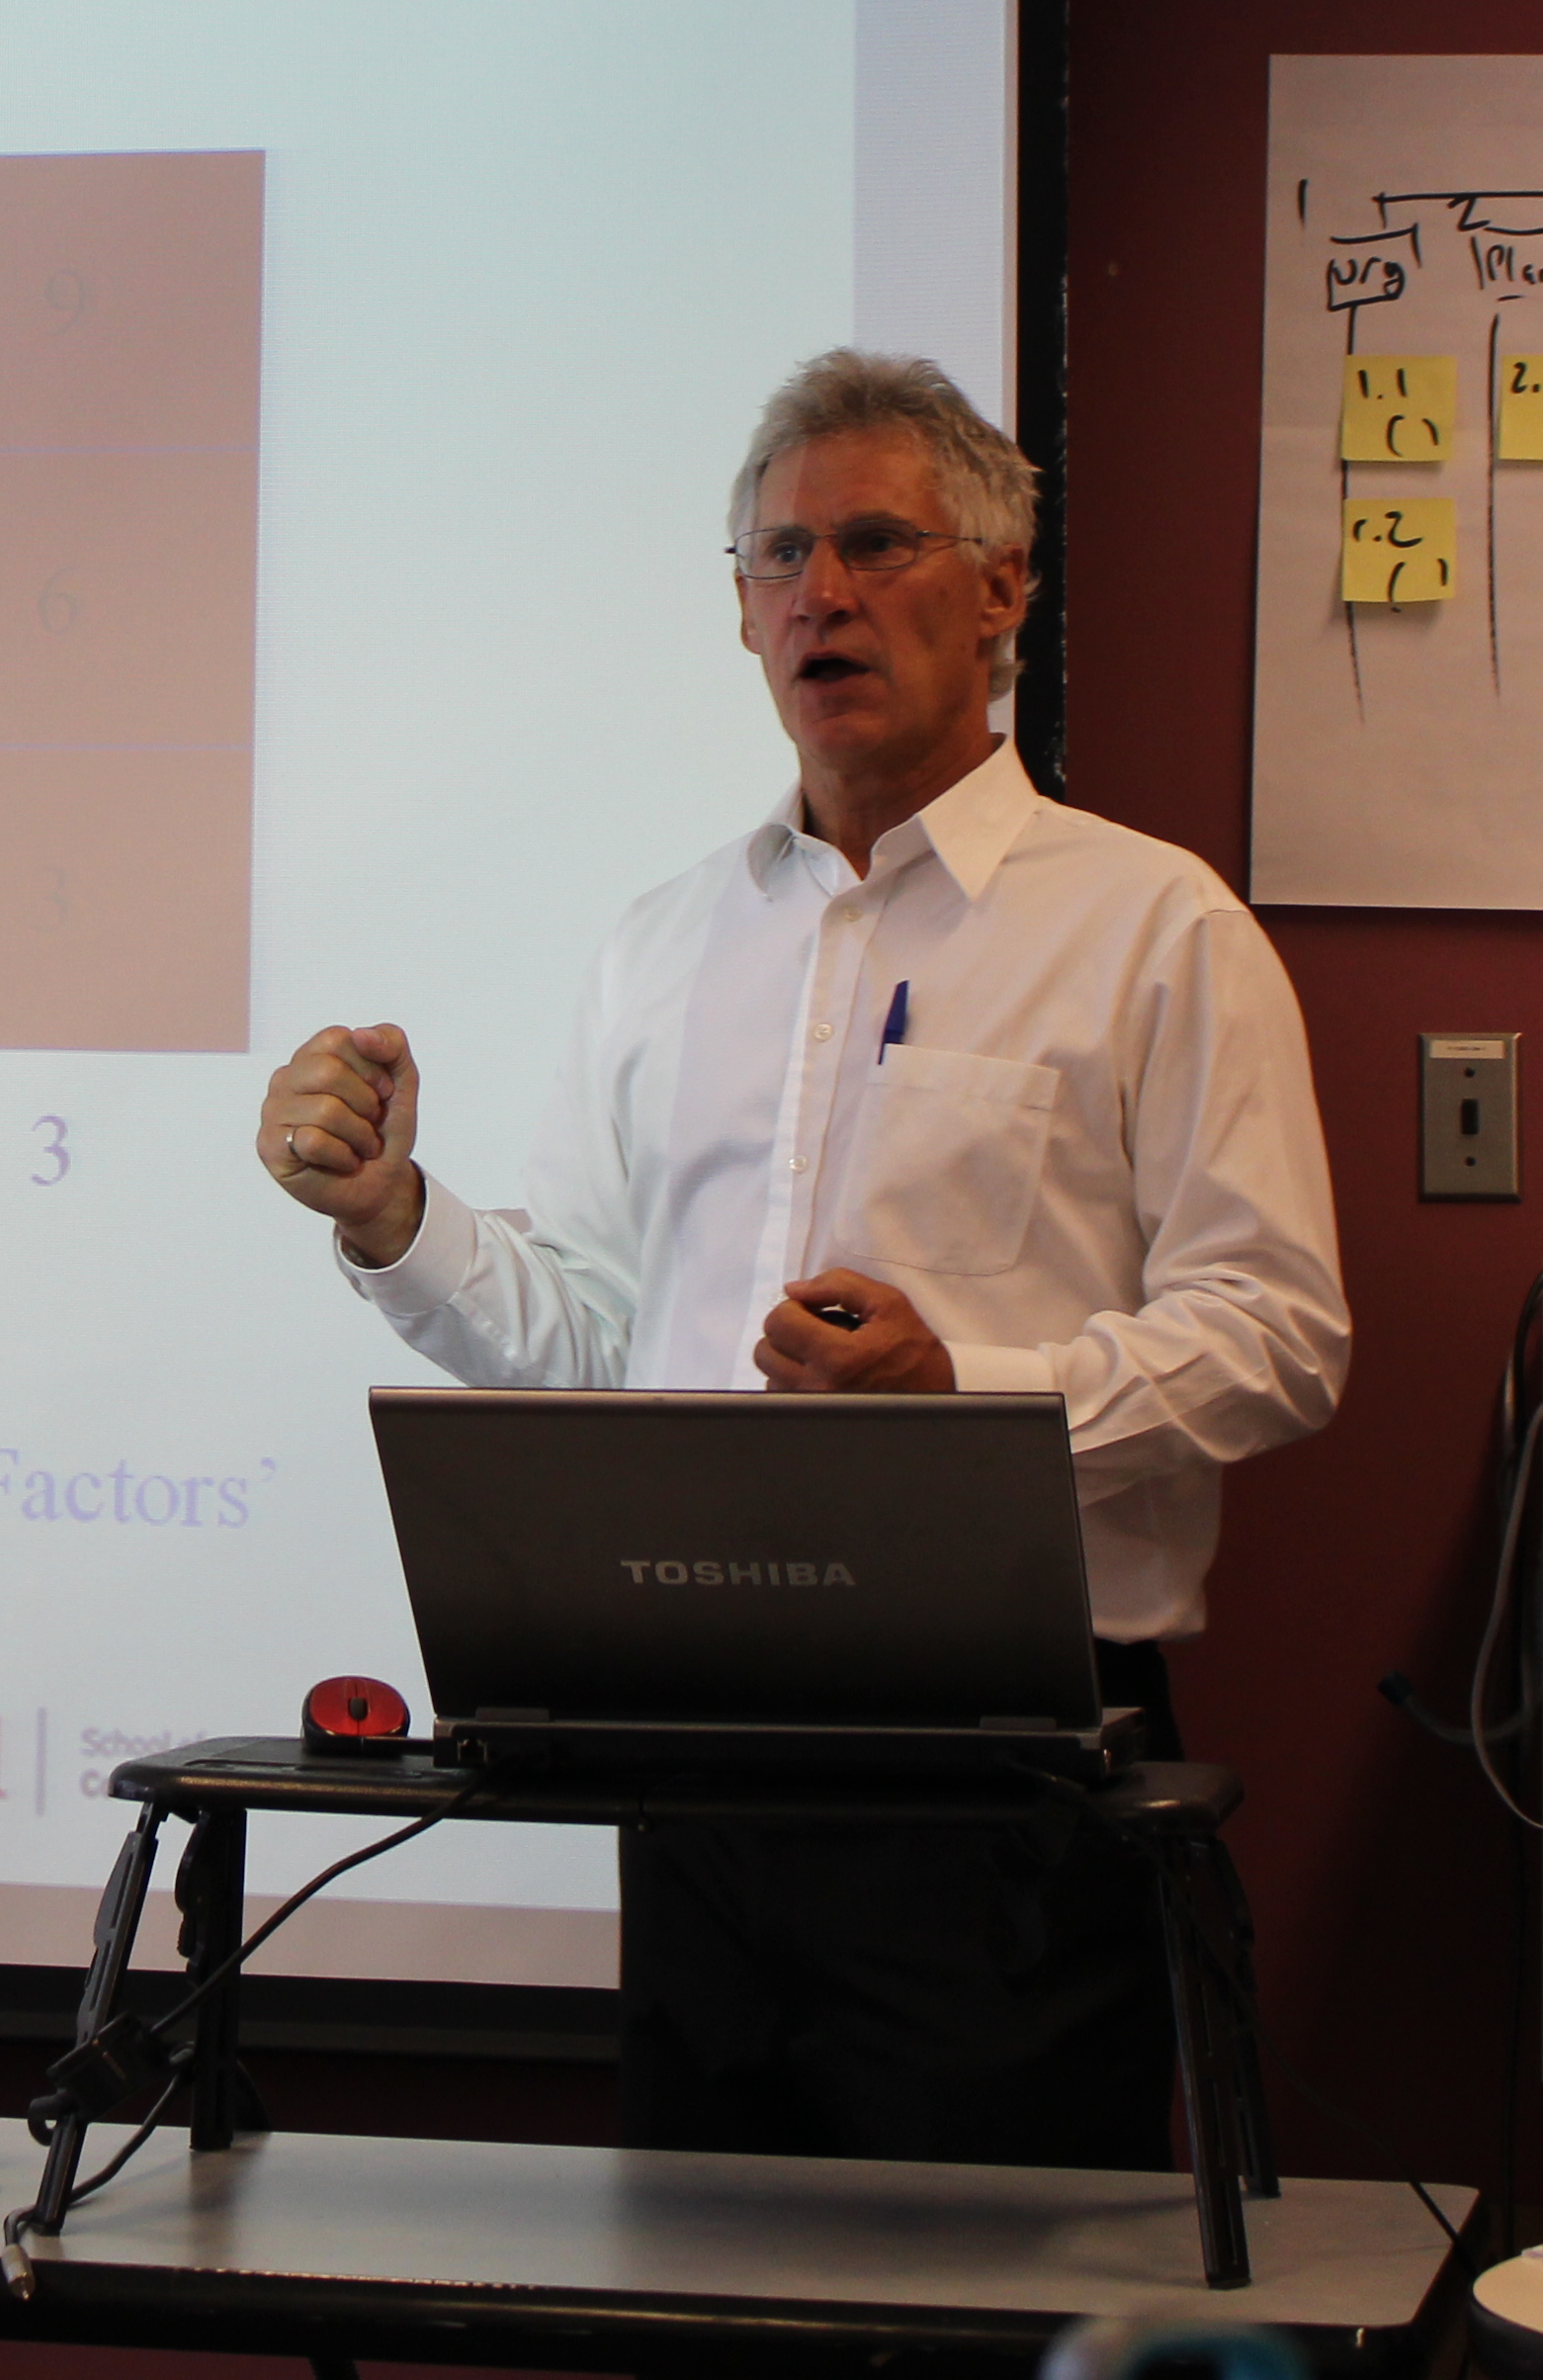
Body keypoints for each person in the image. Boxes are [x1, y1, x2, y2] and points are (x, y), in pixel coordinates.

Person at [256, 347, 1345, 2168]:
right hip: (698, 1757)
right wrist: (393, 1216)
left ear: (1001, 589)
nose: (819, 594)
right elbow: (598, 1348)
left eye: (874, 545)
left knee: (983, 2295)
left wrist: (964, 1395)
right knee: (699, 2277)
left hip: (1006, 1774)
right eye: (778, 556)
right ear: (742, 610)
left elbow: (1280, 1335)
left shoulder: (1154, 926)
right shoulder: (662, 943)